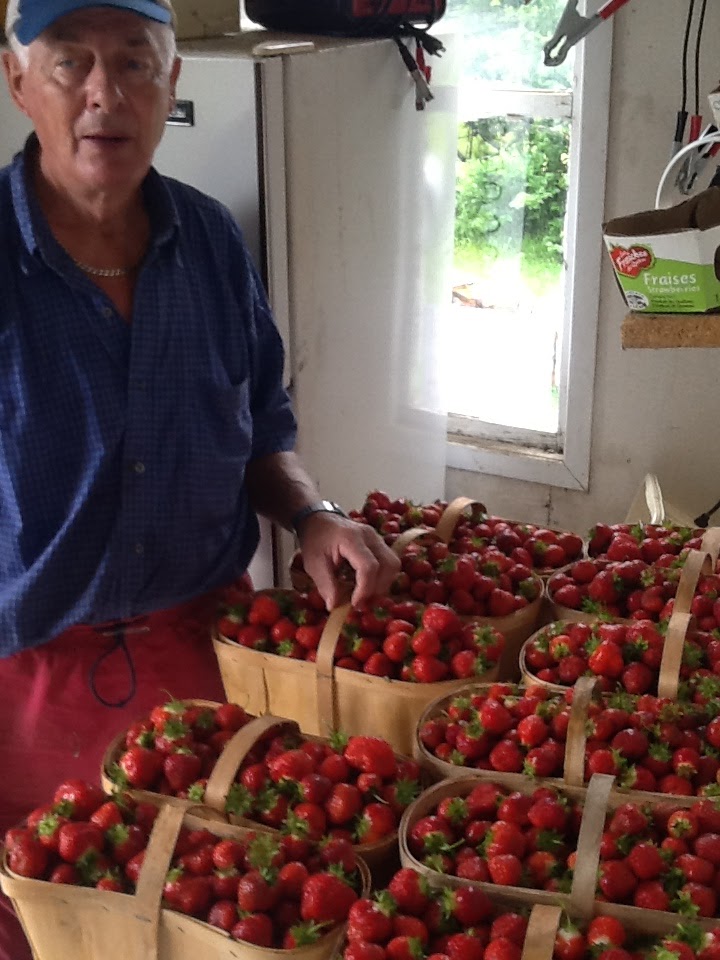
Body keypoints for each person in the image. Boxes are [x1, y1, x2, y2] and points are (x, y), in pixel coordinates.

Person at [0, 0, 400, 954]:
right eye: (70, 62)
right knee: (47, 924)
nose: (107, 91)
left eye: (136, 62)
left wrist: (314, 515)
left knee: (213, 919)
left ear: (172, 82)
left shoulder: (212, 242)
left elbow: (264, 428)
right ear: (19, 81)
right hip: (26, 680)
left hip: (205, 661)